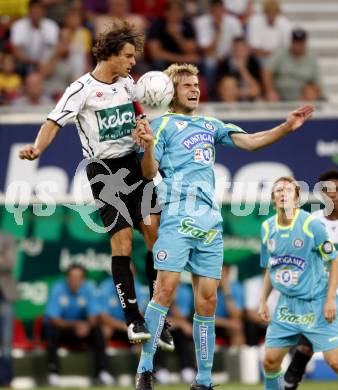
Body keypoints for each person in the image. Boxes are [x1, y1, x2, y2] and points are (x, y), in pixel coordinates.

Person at [132, 62, 314, 390]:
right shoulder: (161, 126)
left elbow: (250, 142)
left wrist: (285, 127)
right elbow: (148, 172)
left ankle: (203, 382)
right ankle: (145, 370)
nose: (195, 89)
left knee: (209, 301)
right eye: (187, 85)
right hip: (175, 217)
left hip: (210, 223)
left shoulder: (210, 124)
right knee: (165, 290)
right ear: (170, 91)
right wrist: (145, 146)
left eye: (196, 84)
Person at [17, 20, 173, 350]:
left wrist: (143, 132)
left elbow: (140, 117)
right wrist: (37, 148)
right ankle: (133, 318)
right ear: (111, 54)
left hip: (134, 163)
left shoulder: (129, 85)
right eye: (128, 56)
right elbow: (53, 121)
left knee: (155, 236)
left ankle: (159, 315)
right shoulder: (81, 89)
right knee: (122, 245)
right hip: (104, 171)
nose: (133, 62)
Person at [259, 176, 338, 390]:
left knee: (335, 362)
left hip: (317, 303)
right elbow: (270, 267)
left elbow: (334, 261)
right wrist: (263, 301)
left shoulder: (312, 225)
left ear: (297, 198)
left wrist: (330, 300)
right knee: (270, 362)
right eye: (278, 190)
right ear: (273, 199)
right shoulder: (267, 228)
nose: (283, 193)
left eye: (288, 190)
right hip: (287, 306)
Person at [284, 169, 338, 389]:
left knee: (316, 351)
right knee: (313, 350)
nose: (333, 194)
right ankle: (291, 378)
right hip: (320, 297)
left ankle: (291, 379)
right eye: (328, 190)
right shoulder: (312, 222)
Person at [44, 264, 114, 386]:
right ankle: (53, 372)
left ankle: (102, 371)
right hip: (63, 328)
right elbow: (54, 319)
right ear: (67, 278)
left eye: (78, 278)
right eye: (72, 277)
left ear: (83, 279)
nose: (75, 281)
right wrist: (76, 325)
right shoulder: (57, 288)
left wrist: (87, 326)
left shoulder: (88, 288)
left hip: (82, 329)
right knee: (51, 331)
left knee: (98, 330)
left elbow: (94, 315)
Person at [263, 28, 322, 102]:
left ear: (305, 43)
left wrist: (312, 91)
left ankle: (303, 111)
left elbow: (317, 83)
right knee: (271, 96)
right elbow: (267, 71)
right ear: (291, 42)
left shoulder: (312, 59)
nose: (298, 45)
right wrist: (270, 90)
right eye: (296, 42)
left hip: (301, 95)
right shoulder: (280, 54)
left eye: (300, 42)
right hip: (279, 93)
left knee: (310, 93)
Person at [0, 231, 18, 387]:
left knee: (6, 340)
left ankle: (6, 378)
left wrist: (4, 260)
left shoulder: (7, 238)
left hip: (4, 295)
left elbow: (9, 263)